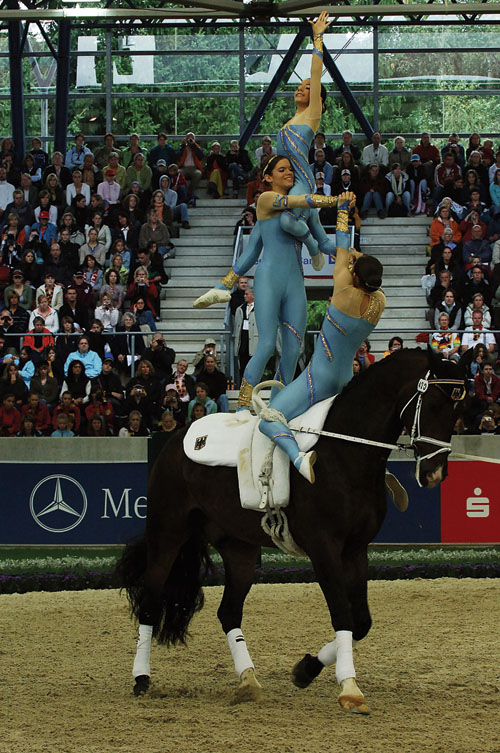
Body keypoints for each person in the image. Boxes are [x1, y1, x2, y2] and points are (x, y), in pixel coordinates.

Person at [259, 191, 385, 482]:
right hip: (346, 379)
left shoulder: (343, 291)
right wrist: (359, 261)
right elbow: (359, 265)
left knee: (268, 419)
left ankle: (298, 458)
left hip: (319, 378)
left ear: (354, 277)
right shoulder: (380, 301)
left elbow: (341, 245)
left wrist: (342, 208)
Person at [234, 287, 257, 379]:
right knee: (243, 367)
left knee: (254, 368)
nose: (244, 296)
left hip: (254, 342)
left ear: (253, 295)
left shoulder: (260, 308)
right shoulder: (240, 309)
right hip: (243, 343)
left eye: (247, 294)